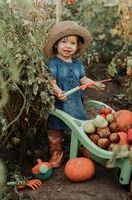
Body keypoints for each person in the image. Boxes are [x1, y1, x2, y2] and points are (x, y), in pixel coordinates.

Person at [43, 21, 105, 168]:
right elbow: (51, 82)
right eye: (64, 42)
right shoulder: (54, 63)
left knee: (80, 127)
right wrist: (58, 92)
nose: (68, 46)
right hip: (60, 102)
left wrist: (94, 84)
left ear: (77, 47)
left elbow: (82, 79)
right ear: (56, 45)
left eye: (72, 43)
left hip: (75, 102)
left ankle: (83, 148)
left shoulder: (77, 64)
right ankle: (57, 152)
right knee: (56, 128)